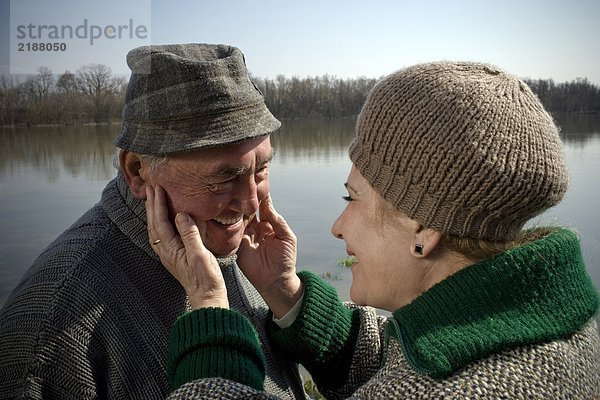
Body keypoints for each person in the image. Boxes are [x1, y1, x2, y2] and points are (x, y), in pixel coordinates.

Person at [147, 61, 600, 399]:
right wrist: (287, 293)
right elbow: (402, 361)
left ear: (422, 227)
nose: (337, 226)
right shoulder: (557, 322)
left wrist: (208, 309)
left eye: (352, 198)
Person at [0, 44, 307, 400]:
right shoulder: (51, 325)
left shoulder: (239, 250)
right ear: (138, 171)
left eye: (262, 168)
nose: (251, 202)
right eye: (224, 177)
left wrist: (285, 294)